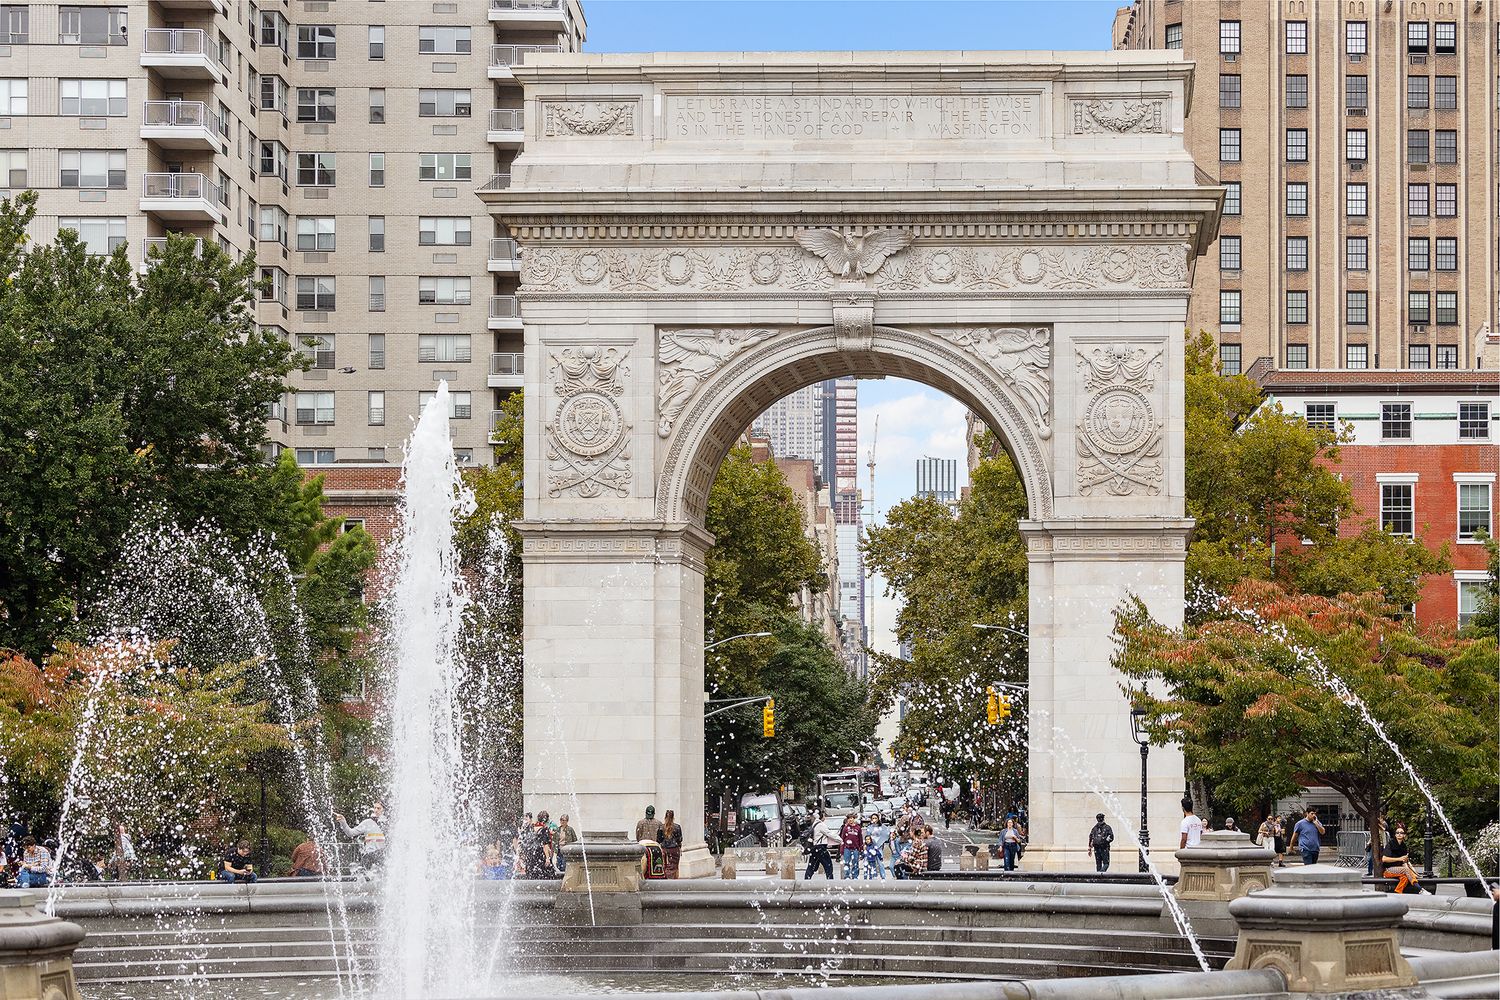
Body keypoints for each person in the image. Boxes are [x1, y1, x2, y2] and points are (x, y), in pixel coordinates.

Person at [334, 801, 386, 866]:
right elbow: (350, 833)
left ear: (384, 810)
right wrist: (343, 822)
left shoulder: (389, 825)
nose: (375, 810)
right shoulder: (367, 823)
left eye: (378, 808)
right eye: (374, 808)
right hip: (369, 857)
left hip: (383, 857)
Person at [1380, 825, 1422, 894]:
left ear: (1404, 835)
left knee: (1405, 878)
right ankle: (1419, 889)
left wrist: (1414, 872)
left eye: (1401, 833)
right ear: (1395, 835)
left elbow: (1405, 863)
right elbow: (1384, 859)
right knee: (1405, 870)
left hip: (1400, 870)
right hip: (1388, 870)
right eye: (1397, 832)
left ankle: (1397, 893)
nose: (1399, 834)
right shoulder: (1390, 844)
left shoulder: (1404, 846)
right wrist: (1399, 859)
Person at [804, 812, 837, 880]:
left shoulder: (815, 824)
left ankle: (806, 880)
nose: (825, 817)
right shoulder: (821, 825)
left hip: (814, 847)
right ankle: (830, 881)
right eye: (824, 816)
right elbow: (829, 834)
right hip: (821, 847)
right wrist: (840, 840)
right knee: (828, 866)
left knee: (811, 866)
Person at [657, 809, 683, 879]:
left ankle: (666, 879)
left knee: (665, 866)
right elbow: (680, 839)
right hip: (674, 849)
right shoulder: (677, 827)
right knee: (674, 867)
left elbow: (658, 840)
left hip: (664, 849)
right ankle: (673, 881)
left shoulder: (661, 827)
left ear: (665, 817)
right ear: (673, 817)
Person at [839, 814, 863, 879]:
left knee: (855, 863)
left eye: (852, 818)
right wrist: (841, 850)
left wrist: (861, 849)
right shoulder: (845, 828)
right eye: (849, 818)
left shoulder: (858, 828)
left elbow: (860, 839)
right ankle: (847, 876)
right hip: (847, 848)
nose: (850, 819)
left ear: (854, 819)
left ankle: (855, 876)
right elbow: (842, 839)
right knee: (846, 863)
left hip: (855, 848)